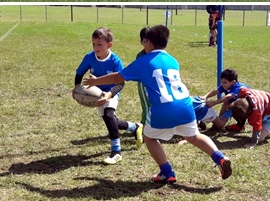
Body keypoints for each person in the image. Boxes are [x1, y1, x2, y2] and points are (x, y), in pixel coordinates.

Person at [84, 25, 232, 183]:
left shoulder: (144, 61)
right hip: (186, 106)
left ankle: (167, 172)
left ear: (148, 42)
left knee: (149, 137)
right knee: (194, 136)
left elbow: (117, 78)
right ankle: (220, 158)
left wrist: (95, 81)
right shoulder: (172, 60)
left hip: (163, 109)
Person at [74, 27, 143, 165]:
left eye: (99, 44)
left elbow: (120, 83)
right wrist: (77, 89)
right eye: (93, 43)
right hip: (96, 94)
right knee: (111, 121)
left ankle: (116, 152)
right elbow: (79, 73)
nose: (95, 47)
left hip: (111, 92)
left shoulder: (115, 61)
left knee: (109, 115)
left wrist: (109, 95)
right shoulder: (89, 57)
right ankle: (135, 127)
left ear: (109, 45)